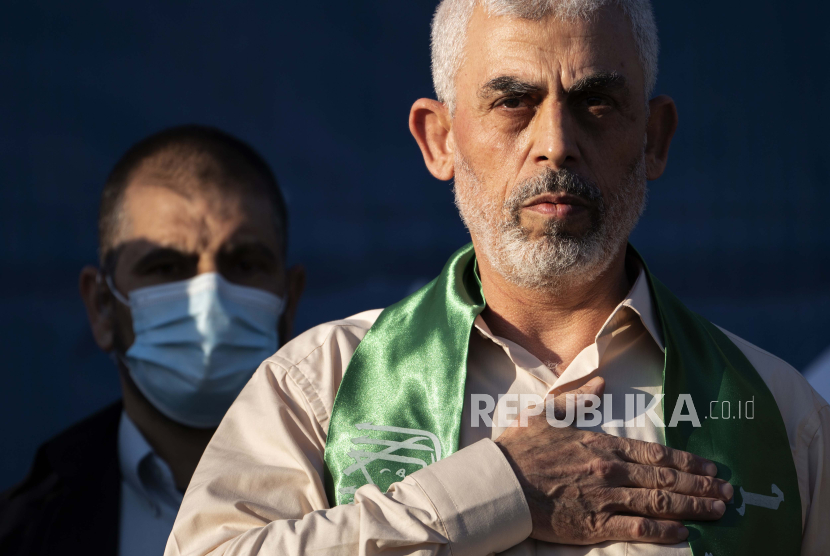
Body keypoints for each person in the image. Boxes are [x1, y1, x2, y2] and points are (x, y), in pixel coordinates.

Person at [165, 2, 830, 555]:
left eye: (595, 100)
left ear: (653, 138)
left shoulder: (784, 418)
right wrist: (499, 489)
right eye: (513, 102)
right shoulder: (320, 387)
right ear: (440, 140)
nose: (556, 142)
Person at [0, 125, 305, 556]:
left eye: (244, 263)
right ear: (102, 306)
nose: (210, 300)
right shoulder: (22, 532)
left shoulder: (367, 496)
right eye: (166, 267)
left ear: (289, 301)